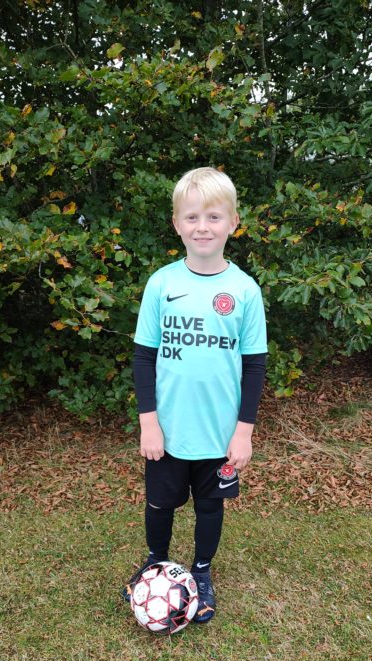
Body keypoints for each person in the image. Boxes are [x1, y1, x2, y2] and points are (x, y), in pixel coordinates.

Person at [121, 166, 267, 623]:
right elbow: (143, 358)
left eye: (213, 217)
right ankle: (156, 564)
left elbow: (254, 366)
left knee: (210, 505)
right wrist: (149, 422)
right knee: (160, 503)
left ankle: (201, 571)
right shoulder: (162, 284)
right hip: (168, 429)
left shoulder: (244, 290)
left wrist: (243, 433)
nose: (203, 227)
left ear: (233, 222)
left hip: (219, 432)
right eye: (192, 217)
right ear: (176, 224)